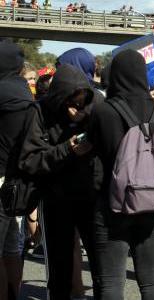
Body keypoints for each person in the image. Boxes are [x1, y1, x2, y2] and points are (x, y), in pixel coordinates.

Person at [86, 49, 154, 299]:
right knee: (151, 282)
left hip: (112, 205)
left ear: (115, 76)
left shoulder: (103, 112)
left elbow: (92, 157)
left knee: (111, 284)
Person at [19, 64, 100, 299]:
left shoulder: (94, 110)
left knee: (101, 267)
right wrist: (67, 150)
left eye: (82, 104)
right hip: (56, 200)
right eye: (72, 104)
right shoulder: (40, 112)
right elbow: (30, 160)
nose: (77, 110)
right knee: (60, 271)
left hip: (91, 198)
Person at [0, 40, 32, 300]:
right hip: (19, 183)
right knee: (13, 248)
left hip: (0, 178)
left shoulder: (2, 91)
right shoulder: (24, 91)